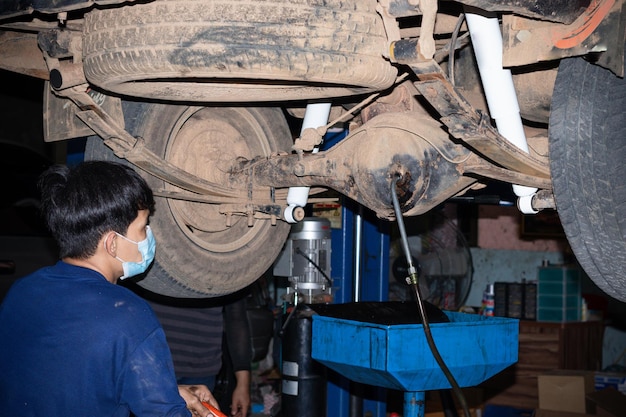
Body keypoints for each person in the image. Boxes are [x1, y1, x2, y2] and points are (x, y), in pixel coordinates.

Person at [0, 161, 219, 417]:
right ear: (113, 243)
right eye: (142, 227)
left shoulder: (21, 293)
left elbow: (63, 381)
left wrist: (166, 389)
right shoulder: (128, 315)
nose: (148, 236)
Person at [146, 291, 252, 417]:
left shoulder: (227, 273)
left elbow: (236, 318)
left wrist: (243, 383)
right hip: (152, 369)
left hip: (202, 370)